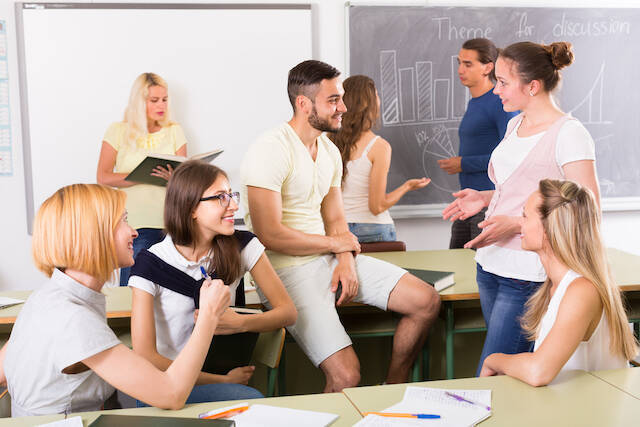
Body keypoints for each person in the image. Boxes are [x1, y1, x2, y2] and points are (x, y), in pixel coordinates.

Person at [240, 60, 440, 392]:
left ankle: (392, 388)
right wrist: (336, 246)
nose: (343, 108)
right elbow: (269, 234)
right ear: (304, 104)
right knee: (346, 376)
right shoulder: (270, 149)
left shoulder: (329, 151)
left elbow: (335, 220)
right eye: (333, 100)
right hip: (284, 273)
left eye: (342, 98)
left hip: (328, 259)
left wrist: (345, 259)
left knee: (426, 301)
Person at [0, 184, 231, 417]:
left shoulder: (45, 297)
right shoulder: (73, 318)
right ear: (93, 233)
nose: (134, 232)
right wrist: (209, 315)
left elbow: (4, 370)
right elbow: (171, 394)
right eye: (123, 221)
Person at [442, 41, 601, 375]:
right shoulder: (515, 125)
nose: (495, 90)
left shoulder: (569, 134)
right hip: (491, 262)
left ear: (532, 86)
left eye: (502, 82)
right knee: (506, 373)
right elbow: (518, 188)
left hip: (528, 272)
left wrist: (516, 224)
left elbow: (585, 211)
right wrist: (484, 197)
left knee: (493, 370)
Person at [129, 160, 297, 404]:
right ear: (191, 208)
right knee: (250, 398)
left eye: (231, 195)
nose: (234, 206)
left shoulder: (243, 246)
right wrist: (221, 381)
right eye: (221, 198)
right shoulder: (150, 263)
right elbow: (145, 357)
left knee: (252, 402)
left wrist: (241, 323)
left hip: (223, 377)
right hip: (166, 381)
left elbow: (288, 312)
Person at [480, 179, 638, 386]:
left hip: (592, 404)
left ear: (549, 228)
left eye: (525, 216)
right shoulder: (554, 285)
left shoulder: (581, 290)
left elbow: (539, 372)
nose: (520, 224)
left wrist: (494, 360)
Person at [97, 72, 188, 285]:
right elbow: (103, 176)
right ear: (139, 102)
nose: (161, 105)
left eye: (164, 99)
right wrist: (142, 175)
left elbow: (185, 179)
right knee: (134, 289)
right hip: (135, 226)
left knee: (172, 291)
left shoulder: (174, 131)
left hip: (171, 224)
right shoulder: (118, 131)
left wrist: (174, 178)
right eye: (154, 100)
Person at [329, 75, 430, 243]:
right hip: (373, 230)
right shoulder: (379, 146)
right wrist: (407, 186)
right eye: (376, 95)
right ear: (367, 104)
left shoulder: (328, 141)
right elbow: (377, 207)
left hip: (339, 230)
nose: (379, 99)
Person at [438, 38, 518, 249]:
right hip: (467, 203)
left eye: (468, 64)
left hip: (489, 203)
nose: (460, 70)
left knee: (479, 266)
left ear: (488, 67)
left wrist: (463, 164)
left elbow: (511, 155)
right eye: (459, 63)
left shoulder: (500, 102)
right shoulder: (475, 103)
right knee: (456, 263)